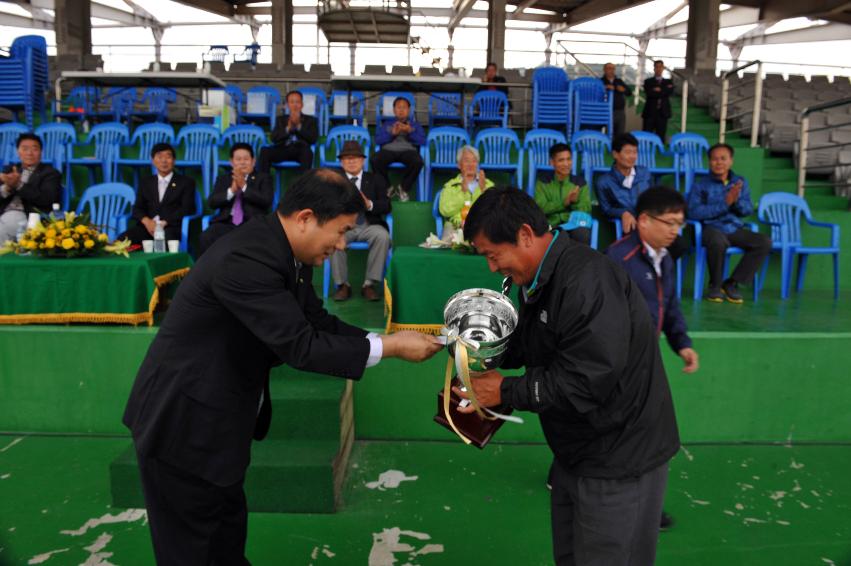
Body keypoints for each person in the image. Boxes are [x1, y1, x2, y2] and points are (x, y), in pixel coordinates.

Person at [123, 169, 443, 565]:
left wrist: (382, 338)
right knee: (192, 550)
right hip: (183, 423)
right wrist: (391, 347)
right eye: (341, 231)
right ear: (306, 218)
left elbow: (317, 322)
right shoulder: (248, 258)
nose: (343, 245)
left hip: (219, 422)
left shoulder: (287, 252)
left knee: (225, 534)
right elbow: (301, 345)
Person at [458, 187, 680, 566]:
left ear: (526, 235)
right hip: (578, 453)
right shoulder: (544, 276)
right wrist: (485, 352)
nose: (492, 268)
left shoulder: (587, 281)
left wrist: (505, 391)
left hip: (619, 458)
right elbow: (537, 340)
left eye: (493, 256)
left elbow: (588, 379)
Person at [687, 143, 772, 303]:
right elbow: (693, 212)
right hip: (709, 228)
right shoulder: (700, 185)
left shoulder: (739, 182)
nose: (718, 162)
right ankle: (715, 286)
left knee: (764, 242)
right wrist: (725, 203)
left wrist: (736, 200)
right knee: (718, 241)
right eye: (714, 159)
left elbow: (747, 210)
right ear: (709, 162)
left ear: (731, 161)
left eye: (723, 158)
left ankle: (732, 283)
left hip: (732, 227)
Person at [597, 133, 688, 259]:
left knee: (680, 244)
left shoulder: (644, 173)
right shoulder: (604, 182)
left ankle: (659, 272)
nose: (632, 156)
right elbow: (606, 209)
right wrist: (623, 213)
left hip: (650, 221)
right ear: (615, 154)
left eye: (635, 152)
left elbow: (654, 198)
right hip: (631, 226)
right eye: (628, 152)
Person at [330, 141, 391, 302]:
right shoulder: (334, 180)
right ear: (341, 162)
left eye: (355, 158)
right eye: (346, 158)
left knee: (382, 236)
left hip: (368, 225)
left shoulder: (375, 179)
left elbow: (386, 205)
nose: (351, 161)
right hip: (344, 227)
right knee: (333, 238)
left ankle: (369, 285)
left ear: (363, 160)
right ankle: (342, 285)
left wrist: (369, 204)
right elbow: (325, 205)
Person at [199, 143, 273, 254]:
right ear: (231, 162)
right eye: (238, 159)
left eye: (246, 159)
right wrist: (232, 191)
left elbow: (266, 201)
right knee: (206, 236)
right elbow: (212, 202)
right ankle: (206, 271)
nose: (242, 162)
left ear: (253, 161)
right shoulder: (224, 179)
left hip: (251, 223)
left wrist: (244, 186)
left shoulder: (263, 178)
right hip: (226, 223)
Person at [119, 142, 197, 245]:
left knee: (166, 242)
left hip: (171, 228)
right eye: (159, 157)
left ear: (174, 161)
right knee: (122, 240)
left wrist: (164, 223)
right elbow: (137, 208)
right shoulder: (146, 182)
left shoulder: (186, 182)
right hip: (148, 228)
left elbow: (187, 208)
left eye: (168, 157)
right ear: (153, 161)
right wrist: (147, 222)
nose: (164, 161)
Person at [0, 133, 61, 242]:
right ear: (18, 152)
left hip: (27, 215)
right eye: (25, 149)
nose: (29, 153)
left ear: (41, 152)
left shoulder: (50, 173)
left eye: (34, 149)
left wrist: (18, 185)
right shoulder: (9, 170)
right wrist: (7, 188)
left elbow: (46, 199)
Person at [533, 143, 591, 245]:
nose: (566, 164)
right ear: (552, 162)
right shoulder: (542, 182)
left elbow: (586, 209)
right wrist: (564, 203)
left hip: (573, 224)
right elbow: (540, 208)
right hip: (550, 225)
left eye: (569, 159)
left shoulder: (580, 183)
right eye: (561, 160)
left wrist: (574, 202)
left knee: (582, 233)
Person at [371, 96, 425, 202]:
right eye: (398, 107)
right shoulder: (386, 124)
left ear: (409, 110)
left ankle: (403, 188)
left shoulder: (415, 125)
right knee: (375, 159)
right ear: (394, 110)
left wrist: (410, 131)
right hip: (389, 151)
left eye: (404, 107)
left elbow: (423, 141)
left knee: (418, 161)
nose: (401, 110)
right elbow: (378, 140)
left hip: (408, 151)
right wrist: (391, 134)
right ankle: (387, 188)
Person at [438, 145, 493, 241]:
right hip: (455, 227)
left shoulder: (487, 184)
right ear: (459, 165)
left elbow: (494, 210)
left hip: (480, 227)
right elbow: (445, 210)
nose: (470, 164)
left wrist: (483, 190)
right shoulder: (451, 186)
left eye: (474, 161)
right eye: (466, 160)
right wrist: (462, 193)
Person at [257, 90, 318, 174]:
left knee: (308, 153)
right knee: (265, 151)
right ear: (287, 105)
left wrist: (299, 127)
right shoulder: (280, 119)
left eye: (297, 102)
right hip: (283, 148)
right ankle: (264, 185)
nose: (295, 105)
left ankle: (303, 186)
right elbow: (274, 138)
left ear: (302, 104)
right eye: (292, 102)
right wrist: (288, 128)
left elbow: (313, 139)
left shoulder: (311, 120)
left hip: (300, 149)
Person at [642, 60, 674, 141]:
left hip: (663, 113)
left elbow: (669, 93)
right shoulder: (648, 81)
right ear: (654, 68)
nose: (659, 69)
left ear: (663, 68)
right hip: (650, 113)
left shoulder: (668, 81)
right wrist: (664, 90)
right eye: (657, 67)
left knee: (661, 136)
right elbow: (650, 93)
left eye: (660, 67)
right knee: (646, 136)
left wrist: (659, 90)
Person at [601, 62, 633, 137]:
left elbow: (629, 92)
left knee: (620, 133)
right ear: (604, 70)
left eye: (612, 68)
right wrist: (605, 87)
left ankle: (617, 148)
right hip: (606, 111)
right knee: (608, 133)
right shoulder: (601, 81)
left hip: (620, 111)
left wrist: (623, 90)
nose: (611, 70)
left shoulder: (619, 81)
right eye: (609, 68)